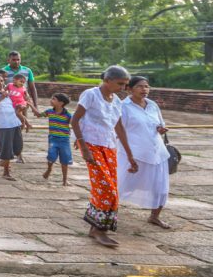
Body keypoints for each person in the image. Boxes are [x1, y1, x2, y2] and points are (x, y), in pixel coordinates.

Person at [71, 65, 137, 248]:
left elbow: (118, 127)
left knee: (111, 190)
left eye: (125, 85)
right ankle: (99, 231)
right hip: (91, 144)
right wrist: (83, 146)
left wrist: (130, 155)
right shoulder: (91, 95)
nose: (123, 88)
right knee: (106, 188)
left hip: (109, 146)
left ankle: (98, 229)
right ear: (107, 80)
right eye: (120, 84)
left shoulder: (116, 101)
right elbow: (74, 120)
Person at [118, 76, 172, 229]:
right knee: (121, 185)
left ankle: (154, 216)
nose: (144, 90)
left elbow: (159, 124)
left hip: (156, 152)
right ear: (129, 89)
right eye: (140, 86)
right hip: (134, 153)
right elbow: (118, 130)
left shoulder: (152, 104)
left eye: (147, 86)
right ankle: (107, 213)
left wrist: (160, 129)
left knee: (160, 187)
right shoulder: (124, 106)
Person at [40, 93, 73, 186]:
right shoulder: (49, 112)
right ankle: (49, 169)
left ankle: (65, 180)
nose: (51, 100)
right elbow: (38, 115)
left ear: (61, 103)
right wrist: (30, 104)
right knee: (51, 156)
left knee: (65, 160)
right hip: (53, 139)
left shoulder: (68, 115)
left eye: (53, 99)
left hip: (64, 140)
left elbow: (75, 124)